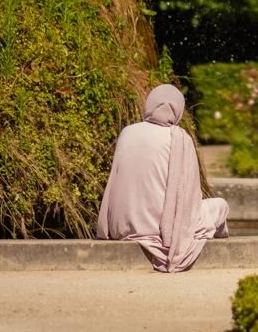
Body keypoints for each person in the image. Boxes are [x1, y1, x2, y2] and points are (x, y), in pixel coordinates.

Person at [96, 84, 229, 271]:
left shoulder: (127, 132)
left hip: (121, 228)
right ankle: (220, 237)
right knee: (220, 206)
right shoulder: (179, 138)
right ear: (179, 110)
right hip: (159, 230)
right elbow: (189, 199)